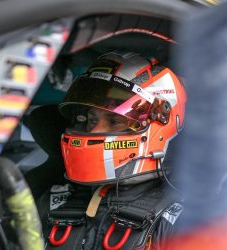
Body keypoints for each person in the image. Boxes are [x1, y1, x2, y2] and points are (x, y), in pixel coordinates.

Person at [43, 50, 187, 249]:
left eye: (116, 121)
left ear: (161, 125)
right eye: (92, 119)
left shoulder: (182, 219)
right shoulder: (53, 201)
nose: (94, 130)